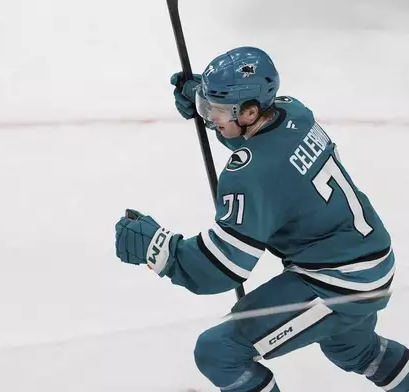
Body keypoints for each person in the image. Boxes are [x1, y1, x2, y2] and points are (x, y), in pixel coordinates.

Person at [113, 46, 409, 391]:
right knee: (353, 349)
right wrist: (200, 96)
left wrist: (158, 247)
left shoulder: (251, 175)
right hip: (369, 265)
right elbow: (269, 152)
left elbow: (221, 269)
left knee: (219, 352)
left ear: (251, 112)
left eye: (218, 110)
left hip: (337, 284)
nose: (210, 118)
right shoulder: (292, 111)